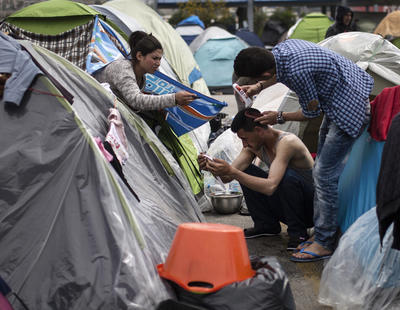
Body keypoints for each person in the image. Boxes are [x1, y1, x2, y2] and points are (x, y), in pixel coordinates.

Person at [233, 41, 373, 262]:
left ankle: (324, 242)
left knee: (324, 175)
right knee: (323, 173)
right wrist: (259, 87)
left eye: (258, 79)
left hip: (348, 105)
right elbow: (279, 73)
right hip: (340, 93)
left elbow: (311, 110)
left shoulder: (298, 73)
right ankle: (321, 231)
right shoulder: (280, 51)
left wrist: (279, 117)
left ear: (266, 71)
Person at [198, 107, 315, 251]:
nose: (244, 144)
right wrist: (210, 167)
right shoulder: (253, 147)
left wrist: (233, 172)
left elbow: (270, 186)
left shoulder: (287, 142)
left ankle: (298, 234)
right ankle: (266, 225)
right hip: (288, 205)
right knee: (245, 170)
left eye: (245, 139)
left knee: (286, 177)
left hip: (312, 210)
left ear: (259, 131)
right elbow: (228, 177)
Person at [94, 31, 196, 111]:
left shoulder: (141, 77)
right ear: (139, 56)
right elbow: (136, 100)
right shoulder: (122, 68)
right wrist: (174, 98)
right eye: (154, 58)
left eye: (159, 59)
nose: (158, 63)